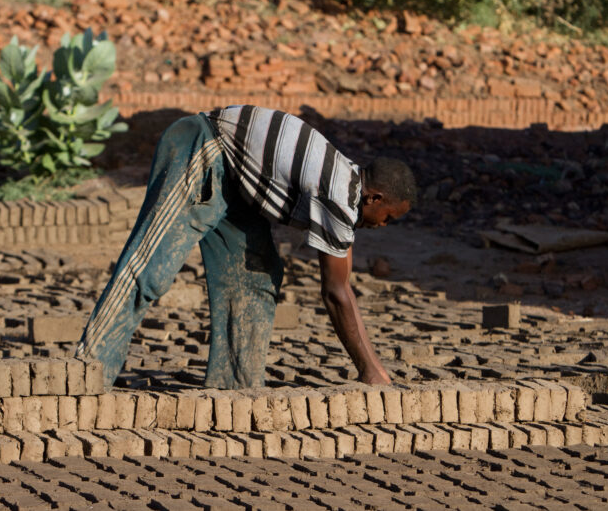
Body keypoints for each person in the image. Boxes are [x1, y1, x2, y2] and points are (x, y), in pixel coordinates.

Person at [77, 105, 417, 389]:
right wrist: (371, 370)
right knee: (151, 267)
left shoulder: (348, 182)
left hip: (239, 183)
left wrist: (373, 367)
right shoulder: (341, 197)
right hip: (203, 147)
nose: (381, 226)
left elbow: (344, 288)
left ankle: (233, 391)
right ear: (374, 197)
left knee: (255, 276)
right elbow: (336, 292)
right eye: (387, 217)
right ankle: (87, 375)